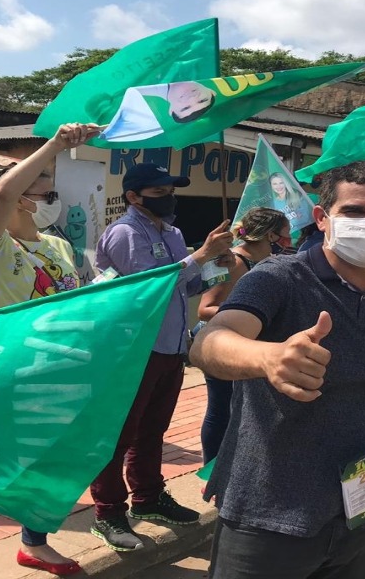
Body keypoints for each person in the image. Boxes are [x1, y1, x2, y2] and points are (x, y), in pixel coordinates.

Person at [190, 161, 365, 579]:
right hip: (268, 511)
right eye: (356, 211)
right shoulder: (280, 278)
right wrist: (268, 358)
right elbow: (209, 343)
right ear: (323, 219)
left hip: (364, 507)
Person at [0, 123, 99, 578]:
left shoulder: (56, 244)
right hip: (5, 370)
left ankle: (34, 543)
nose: (48, 195)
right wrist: (53, 145)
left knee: (47, 461)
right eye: (40, 186)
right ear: (14, 194)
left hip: (58, 368)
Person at [90, 163, 235, 551]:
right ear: (134, 197)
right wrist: (202, 253)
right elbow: (150, 287)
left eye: (170, 189)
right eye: (158, 191)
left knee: (152, 431)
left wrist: (218, 270)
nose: (168, 197)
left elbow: (183, 287)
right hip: (132, 350)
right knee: (118, 435)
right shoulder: (124, 232)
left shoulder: (172, 233)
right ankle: (108, 512)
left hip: (170, 347)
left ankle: (149, 498)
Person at [197, 208, 290, 463]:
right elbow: (204, 309)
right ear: (271, 235)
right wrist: (252, 315)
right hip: (219, 345)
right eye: (286, 234)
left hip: (246, 344)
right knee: (221, 409)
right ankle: (212, 469)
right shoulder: (233, 262)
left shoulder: (267, 263)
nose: (290, 241)